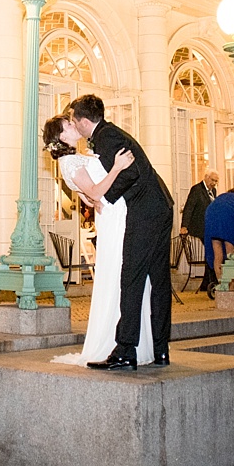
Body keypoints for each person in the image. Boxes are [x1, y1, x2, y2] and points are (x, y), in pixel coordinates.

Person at [67, 94, 175, 370]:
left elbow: (133, 172)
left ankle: (126, 349)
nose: (73, 126)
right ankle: (161, 349)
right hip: (160, 206)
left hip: (147, 211)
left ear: (83, 121)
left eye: (74, 121)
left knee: (131, 277)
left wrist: (104, 199)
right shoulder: (110, 134)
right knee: (158, 281)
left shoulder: (106, 137)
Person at [43, 115, 145, 368]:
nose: (73, 125)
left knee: (128, 271)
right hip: (113, 218)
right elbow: (96, 192)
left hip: (117, 211)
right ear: (62, 137)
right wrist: (118, 168)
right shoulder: (68, 162)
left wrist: (91, 197)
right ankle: (113, 341)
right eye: (68, 125)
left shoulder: (78, 157)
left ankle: (135, 342)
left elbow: (89, 197)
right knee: (118, 273)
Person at [181, 171, 219, 289]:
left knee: (212, 251)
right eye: (212, 180)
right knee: (211, 251)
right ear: (206, 178)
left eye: (216, 181)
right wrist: (184, 226)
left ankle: (208, 281)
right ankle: (210, 281)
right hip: (200, 227)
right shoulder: (196, 189)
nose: (214, 183)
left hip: (210, 227)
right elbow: (189, 208)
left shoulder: (214, 191)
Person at [203, 187, 234, 295]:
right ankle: (232, 285)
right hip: (227, 218)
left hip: (211, 217)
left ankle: (221, 283)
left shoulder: (222, 197)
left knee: (217, 255)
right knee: (231, 255)